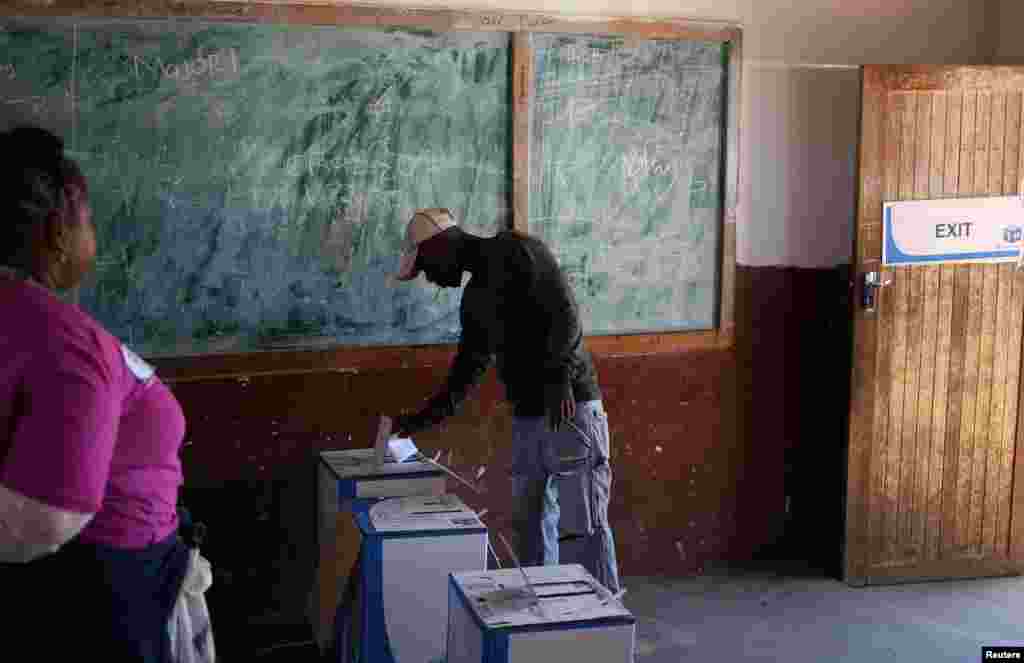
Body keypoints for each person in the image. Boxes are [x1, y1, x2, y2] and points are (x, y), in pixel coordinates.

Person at [0, 126, 191, 662]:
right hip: (98, 586)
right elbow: (46, 519)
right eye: (88, 220)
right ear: (58, 230)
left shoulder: (31, 318)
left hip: (101, 570)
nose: (93, 237)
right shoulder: (61, 339)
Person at [387, 208, 620, 593]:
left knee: (583, 527)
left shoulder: (515, 249)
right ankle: (544, 623)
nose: (430, 279)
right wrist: (421, 419)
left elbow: (565, 311)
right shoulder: (475, 301)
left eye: (426, 266)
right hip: (528, 415)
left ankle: (602, 623)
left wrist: (561, 373)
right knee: (529, 526)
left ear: (440, 245)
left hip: (570, 408)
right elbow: (465, 375)